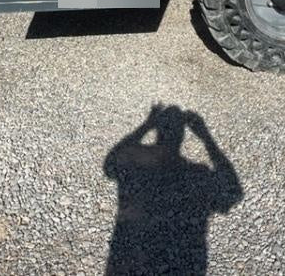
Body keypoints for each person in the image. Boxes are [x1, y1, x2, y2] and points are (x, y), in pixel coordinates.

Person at [103, 104, 243, 275]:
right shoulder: (197, 174)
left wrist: (146, 125)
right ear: (182, 136)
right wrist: (206, 138)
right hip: (183, 262)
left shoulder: (136, 163)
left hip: (129, 257)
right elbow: (232, 192)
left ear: (157, 130)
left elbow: (111, 163)